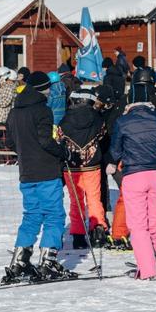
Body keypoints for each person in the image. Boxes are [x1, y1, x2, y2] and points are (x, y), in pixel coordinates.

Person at [1, 71, 72, 283]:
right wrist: (63, 151)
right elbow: (45, 141)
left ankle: (20, 260)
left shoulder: (14, 112)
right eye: (49, 87)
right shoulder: (43, 110)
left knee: (31, 215)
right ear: (43, 89)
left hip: (27, 172)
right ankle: (48, 261)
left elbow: (10, 144)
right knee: (54, 215)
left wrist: (26, 151)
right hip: (46, 171)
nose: (51, 91)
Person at [111, 92, 156, 280]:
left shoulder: (123, 121)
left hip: (134, 173)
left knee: (138, 225)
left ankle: (147, 269)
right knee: (154, 219)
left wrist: (115, 160)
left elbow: (115, 149)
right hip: (155, 173)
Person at [60, 86, 109, 249]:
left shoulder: (65, 119)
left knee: (76, 201)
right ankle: (98, 231)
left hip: (71, 165)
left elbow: (60, 138)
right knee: (94, 198)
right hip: (92, 165)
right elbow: (102, 135)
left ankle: (78, 236)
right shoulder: (97, 118)